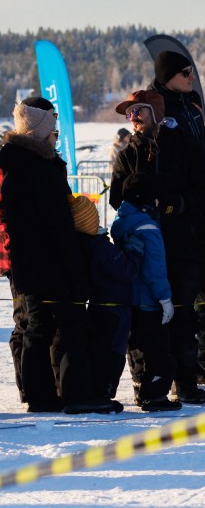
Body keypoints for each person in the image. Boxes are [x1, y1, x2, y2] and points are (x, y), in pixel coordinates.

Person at [0, 101, 120, 414]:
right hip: (53, 263)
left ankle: (40, 396)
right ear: (39, 134)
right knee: (71, 325)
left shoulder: (14, 168)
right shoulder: (42, 171)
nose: (55, 137)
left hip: (28, 264)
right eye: (52, 132)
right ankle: (77, 394)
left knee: (38, 329)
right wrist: (74, 265)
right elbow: (58, 226)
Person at [110, 90, 205, 404]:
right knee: (143, 318)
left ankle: (187, 383)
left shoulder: (185, 148)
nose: (134, 119)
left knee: (182, 315)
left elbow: (199, 192)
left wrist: (173, 205)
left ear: (156, 112)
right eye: (130, 114)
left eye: (139, 111)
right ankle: (145, 384)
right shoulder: (127, 154)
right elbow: (116, 198)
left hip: (182, 245)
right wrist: (139, 194)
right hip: (142, 247)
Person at [0, 96, 58, 406]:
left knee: (36, 320)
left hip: (35, 253)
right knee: (26, 321)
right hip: (17, 255)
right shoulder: (9, 161)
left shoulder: (40, 157)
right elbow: (4, 213)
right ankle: (28, 387)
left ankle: (38, 384)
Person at [110, 174, 180, 412]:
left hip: (129, 298)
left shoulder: (123, 220)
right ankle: (155, 396)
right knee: (159, 353)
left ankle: (142, 390)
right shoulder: (148, 226)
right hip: (149, 300)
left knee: (138, 349)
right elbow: (155, 268)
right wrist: (165, 298)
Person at [70, 194, 140, 402]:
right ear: (90, 221)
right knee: (112, 351)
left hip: (98, 307)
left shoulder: (83, 245)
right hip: (115, 307)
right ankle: (105, 391)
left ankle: (100, 388)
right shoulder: (101, 248)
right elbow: (127, 270)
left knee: (99, 348)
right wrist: (134, 252)